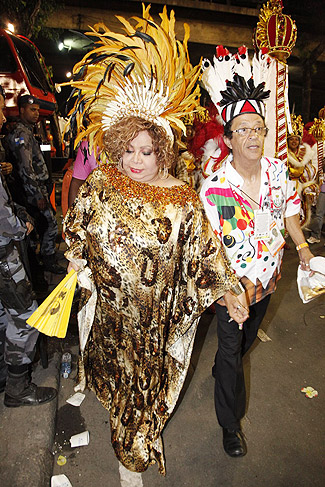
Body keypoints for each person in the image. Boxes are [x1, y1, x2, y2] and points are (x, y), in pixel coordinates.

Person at [62, 7, 248, 476]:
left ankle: (133, 461)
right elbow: (77, 228)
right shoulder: (103, 182)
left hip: (151, 327)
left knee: (142, 401)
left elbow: (205, 252)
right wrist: (75, 265)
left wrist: (229, 289)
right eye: (127, 150)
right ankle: (126, 445)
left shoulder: (182, 200)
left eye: (146, 151)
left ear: (162, 150)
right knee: (115, 387)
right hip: (109, 316)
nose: (136, 161)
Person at [200, 51, 315, 458]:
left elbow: (289, 212)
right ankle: (230, 425)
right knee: (231, 352)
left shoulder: (278, 173)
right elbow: (218, 249)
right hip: (233, 290)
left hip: (267, 285)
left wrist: (301, 246)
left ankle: (223, 368)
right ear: (229, 139)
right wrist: (231, 292)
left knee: (245, 343)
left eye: (259, 128)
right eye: (243, 129)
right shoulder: (214, 189)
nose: (253, 136)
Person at [0, 84, 57, 406]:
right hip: (4, 250)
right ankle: (17, 389)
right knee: (25, 318)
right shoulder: (20, 133)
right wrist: (22, 223)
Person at [7, 94, 65, 274]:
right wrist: (37, 195)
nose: (36, 114)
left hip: (32, 189)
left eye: (38, 111)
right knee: (49, 225)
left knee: (38, 226)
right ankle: (47, 261)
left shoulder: (27, 130)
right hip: (31, 191)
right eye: (32, 110)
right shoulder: (22, 133)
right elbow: (26, 167)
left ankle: (37, 265)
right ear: (21, 109)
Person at [287, 114, 319, 229]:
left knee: (296, 214)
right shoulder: (283, 154)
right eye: (291, 139)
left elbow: (309, 172)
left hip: (299, 189)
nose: (294, 141)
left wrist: (309, 189)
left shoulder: (305, 153)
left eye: (296, 139)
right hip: (285, 187)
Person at [68, 140, 99, 207]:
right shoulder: (88, 147)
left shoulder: (126, 145)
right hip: (98, 209)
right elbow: (77, 182)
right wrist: (71, 214)